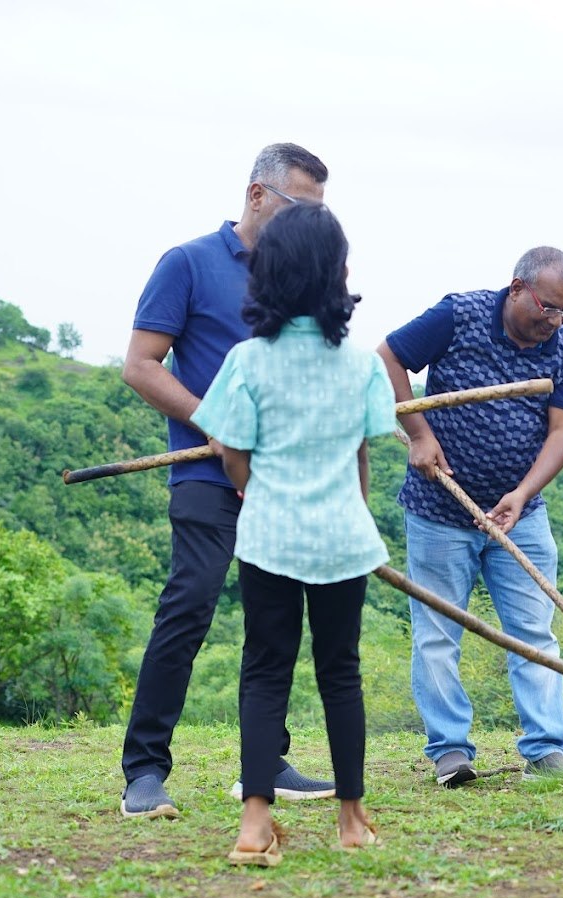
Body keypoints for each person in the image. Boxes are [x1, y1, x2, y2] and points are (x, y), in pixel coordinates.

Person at [119, 144, 336, 818]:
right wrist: (216, 422)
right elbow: (141, 364)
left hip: (277, 479)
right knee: (189, 607)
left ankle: (262, 764)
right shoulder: (188, 263)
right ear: (257, 195)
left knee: (275, 623)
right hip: (204, 473)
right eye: (301, 208)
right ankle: (144, 772)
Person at [192, 203, 392, 864]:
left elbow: (230, 449)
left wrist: (252, 485)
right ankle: (352, 818)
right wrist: (352, 512)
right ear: (337, 276)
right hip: (342, 537)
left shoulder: (248, 360)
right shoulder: (360, 363)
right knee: (341, 671)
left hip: (269, 535)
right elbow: (363, 451)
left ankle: (254, 823)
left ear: (269, 273)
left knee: (264, 670)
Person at [376, 246, 563, 787]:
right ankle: (450, 752)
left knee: (534, 633)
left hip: (521, 514)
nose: (555, 321)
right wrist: (419, 435)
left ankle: (545, 749)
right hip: (439, 509)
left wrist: (523, 493)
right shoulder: (459, 314)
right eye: (547, 307)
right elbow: (388, 355)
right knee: (437, 633)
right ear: (516, 287)